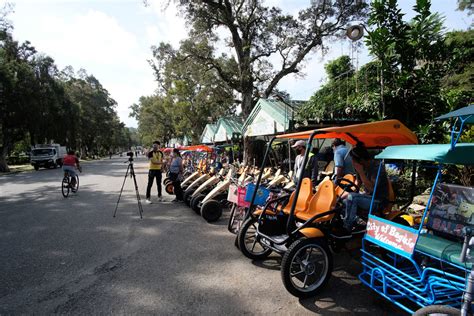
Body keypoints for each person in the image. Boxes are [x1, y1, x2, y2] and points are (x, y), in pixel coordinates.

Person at [342, 144, 389, 232]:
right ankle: (357, 222)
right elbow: (357, 184)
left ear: (361, 160)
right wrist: (347, 192)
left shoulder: (377, 168)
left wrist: (361, 172)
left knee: (352, 198)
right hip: (368, 197)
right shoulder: (362, 167)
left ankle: (347, 228)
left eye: (354, 162)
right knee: (342, 200)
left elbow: (372, 189)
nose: (353, 164)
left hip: (378, 200)